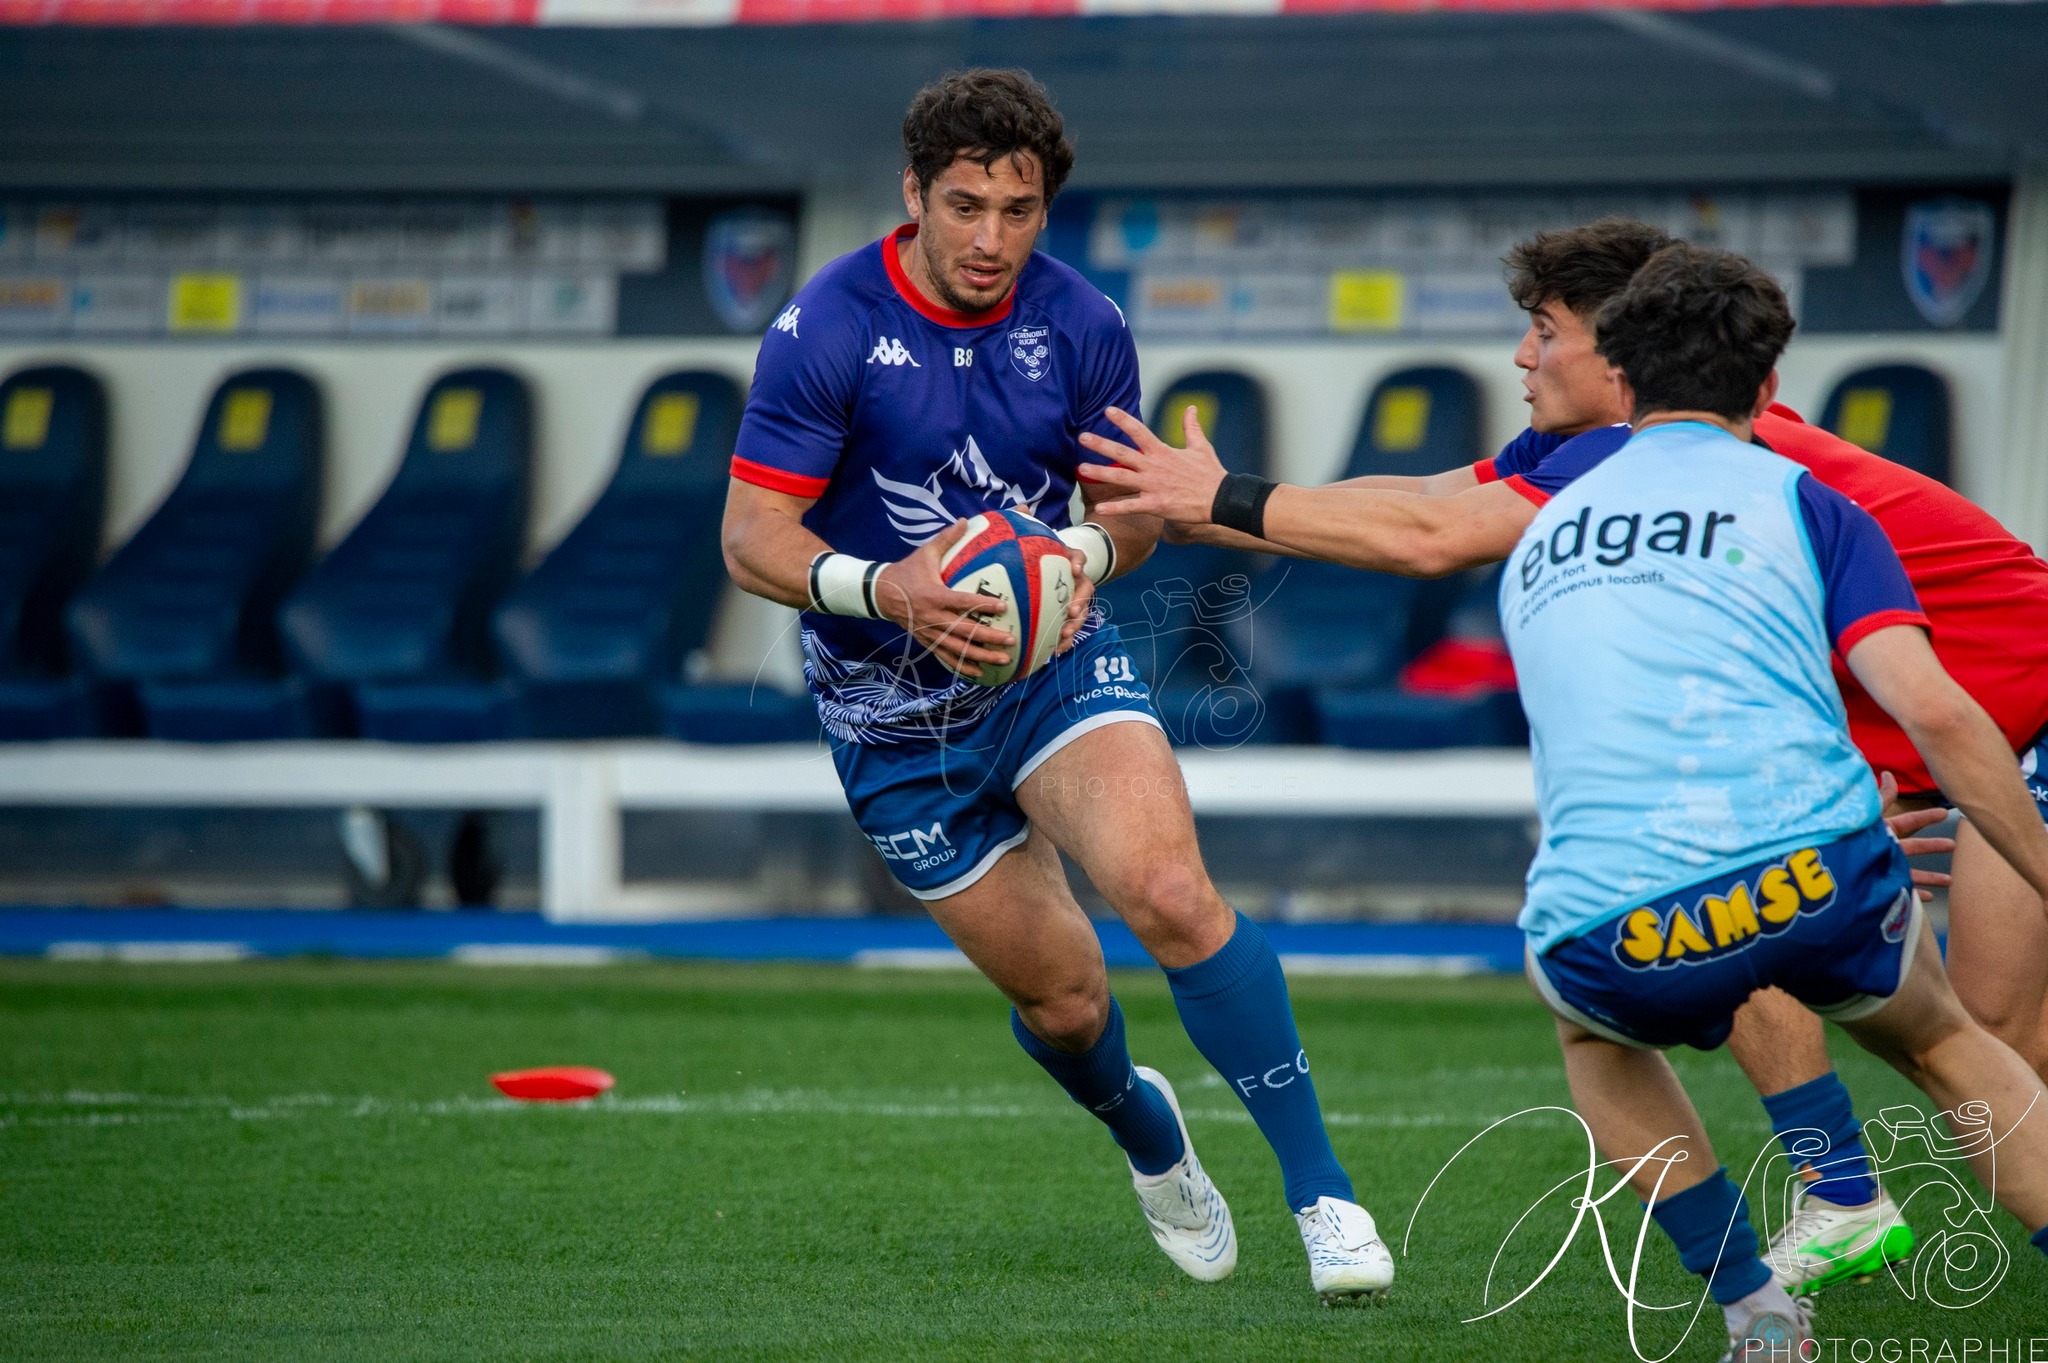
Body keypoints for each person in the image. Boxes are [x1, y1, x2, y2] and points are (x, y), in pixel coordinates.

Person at [1079, 216, 2048, 1295]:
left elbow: (1428, 538)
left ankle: (1830, 1202)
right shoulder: (1602, 446)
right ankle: (1840, 1191)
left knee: (1991, 1030)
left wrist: (1220, 502)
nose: (1519, 356)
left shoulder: (1661, 453)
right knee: (1917, 1004)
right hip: (1926, 733)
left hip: (2018, 709)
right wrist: (1218, 518)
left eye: (1542, 330)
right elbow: (1431, 501)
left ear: (1618, 345)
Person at [719, 68, 1392, 1303]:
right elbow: (752, 535)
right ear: (912, 193)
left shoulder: (1082, 324)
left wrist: (1076, 553)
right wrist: (888, 589)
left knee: (1168, 890)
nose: (988, 239)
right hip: (891, 715)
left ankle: (1323, 1195)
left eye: (1016, 211)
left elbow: (1128, 518)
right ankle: (1149, 1138)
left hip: (1051, 666)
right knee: (1069, 1000)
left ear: (1045, 209)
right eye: (963, 206)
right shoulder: (824, 326)